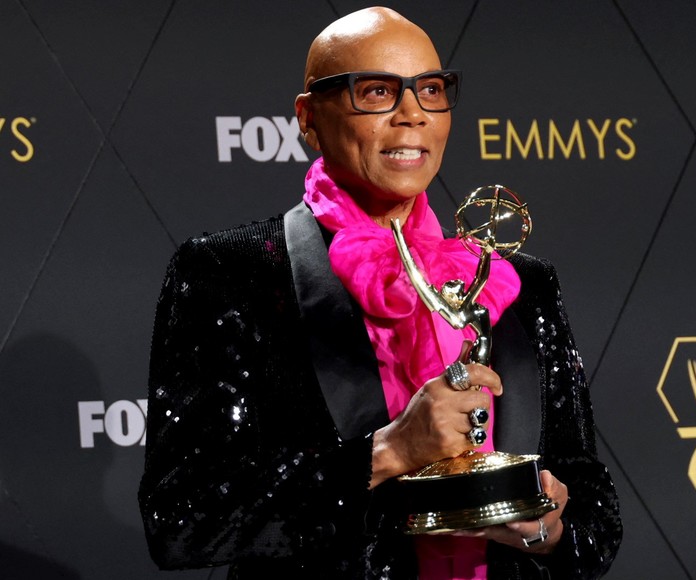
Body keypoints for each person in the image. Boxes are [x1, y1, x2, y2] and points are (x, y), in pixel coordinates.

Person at [139, 7, 621, 579]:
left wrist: (544, 530)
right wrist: (388, 452)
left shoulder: (518, 284)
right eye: (376, 92)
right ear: (309, 116)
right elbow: (181, 519)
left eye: (431, 91)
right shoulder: (231, 272)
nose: (412, 114)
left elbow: (595, 512)